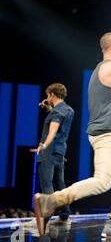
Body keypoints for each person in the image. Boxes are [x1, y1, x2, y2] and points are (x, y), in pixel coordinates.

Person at [34, 32, 111, 238]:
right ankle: (50, 201)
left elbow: (106, 109)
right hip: (107, 137)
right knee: (103, 181)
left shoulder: (100, 70)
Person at [30, 83, 74, 223]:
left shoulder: (56, 113)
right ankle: (65, 213)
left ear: (52, 95)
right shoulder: (69, 110)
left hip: (48, 152)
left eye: (47, 95)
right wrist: (48, 107)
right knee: (60, 183)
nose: (46, 97)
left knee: (46, 183)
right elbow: (60, 128)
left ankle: (45, 218)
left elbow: (53, 131)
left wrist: (43, 145)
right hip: (60, 151)